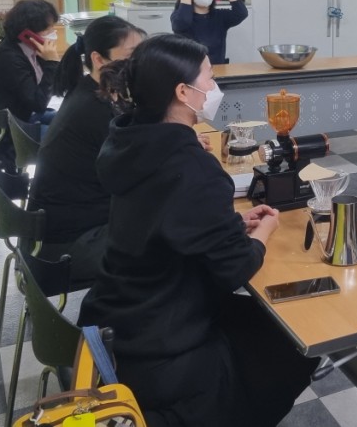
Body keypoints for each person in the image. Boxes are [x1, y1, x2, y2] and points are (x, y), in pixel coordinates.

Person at [77, 34, 315, 426]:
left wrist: (230, 224)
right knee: (292, 343)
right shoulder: (188, 165)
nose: (215, 86)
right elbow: (235, 267)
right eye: (209, 78)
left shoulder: (129, 143)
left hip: (121, 319)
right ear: (182, 92)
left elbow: (164, 221)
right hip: (164, 346)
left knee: (260, 321)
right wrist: (265, 230)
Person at [27, 16, 144, 287]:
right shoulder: (92, 109)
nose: (141, 63)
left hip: (68, 231)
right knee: (172, 238)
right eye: (131, 56)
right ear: (99, 58)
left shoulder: (94, 91)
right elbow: (136, 175)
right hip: (69, 247)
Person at [0, 0, 60, 124]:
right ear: (28, 34)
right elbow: (38, 103)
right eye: (48, 29)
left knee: (75, 119)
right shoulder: (9, 59)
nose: (53, 33)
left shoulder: (29, 50)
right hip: (18, 127)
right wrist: (52, 63)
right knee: (74, 132)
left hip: (26, 115)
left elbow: (57, 85)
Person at [171, 0, 248, 64]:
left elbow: (242, 13)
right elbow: (183, 22)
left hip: (217, 69)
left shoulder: (219, 16)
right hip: (190, 70)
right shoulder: (179, 16)